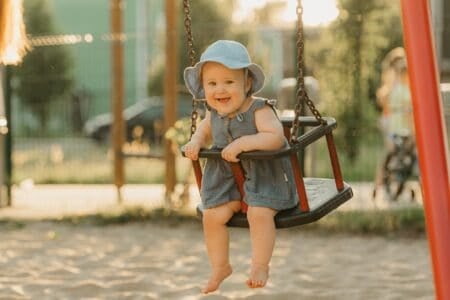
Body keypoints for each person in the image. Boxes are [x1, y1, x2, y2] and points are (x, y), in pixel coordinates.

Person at [183, 40, 298, 293]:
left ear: (246, 83)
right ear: (203, 87)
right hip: (229, 182)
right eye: (212, 83)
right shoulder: (213, 114)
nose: (220, 89)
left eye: (229, 82)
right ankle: (220, 266)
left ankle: (260, 265)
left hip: (263, 178)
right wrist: (195, 141)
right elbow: (203, 132)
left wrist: (245, 142)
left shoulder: (259, 109)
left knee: (259, 214)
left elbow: (276, 137)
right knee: (212, 217)